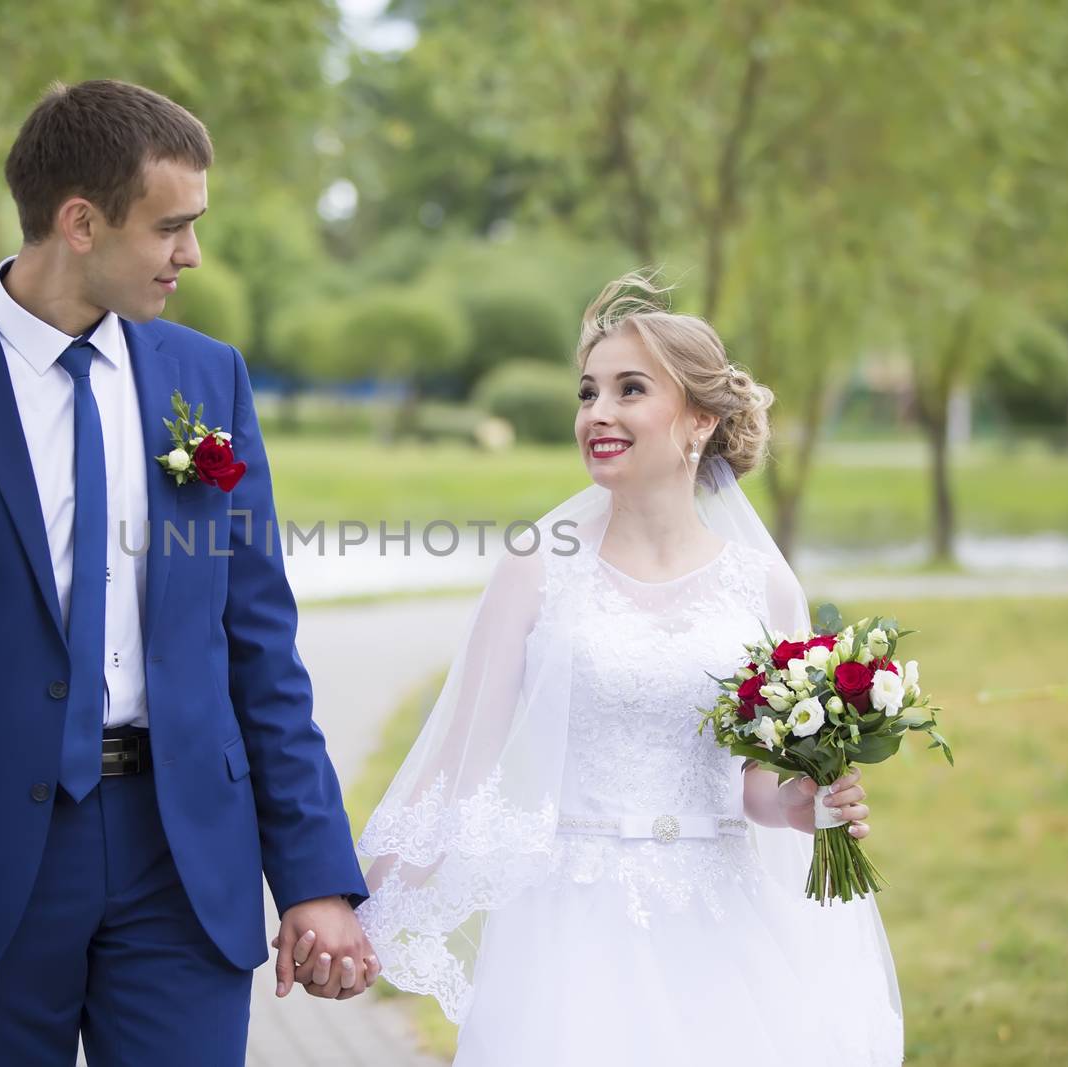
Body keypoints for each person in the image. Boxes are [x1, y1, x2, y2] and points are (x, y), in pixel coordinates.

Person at [0, 79, 373, 1067]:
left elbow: (259, 651)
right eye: (171, 227)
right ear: (79, 221)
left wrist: (315, 873)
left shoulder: (209, 380)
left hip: (183, 858)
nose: (189, 254)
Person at [356, 271, 903, 1065]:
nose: (598, 413)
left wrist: (810, 804)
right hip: (570, 928)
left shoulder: (764, 587)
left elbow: (756, 788)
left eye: (630, 389)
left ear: (699, 420)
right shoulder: (537, 568)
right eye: (588, 392)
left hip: (719, 925)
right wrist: (359, 907)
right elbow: (459, 762)